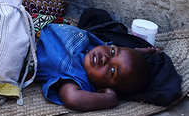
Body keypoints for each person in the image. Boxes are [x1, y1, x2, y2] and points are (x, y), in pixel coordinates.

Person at [36, 23, 182, 110]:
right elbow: (123, 54)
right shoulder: (99, 46)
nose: (105, 58)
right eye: (113, 51)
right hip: (35, 21)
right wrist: (141, 51)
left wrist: (108, 100)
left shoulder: (78, 78)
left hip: (22, 43)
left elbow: (72, 98)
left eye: (112, 71)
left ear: (103, 87)